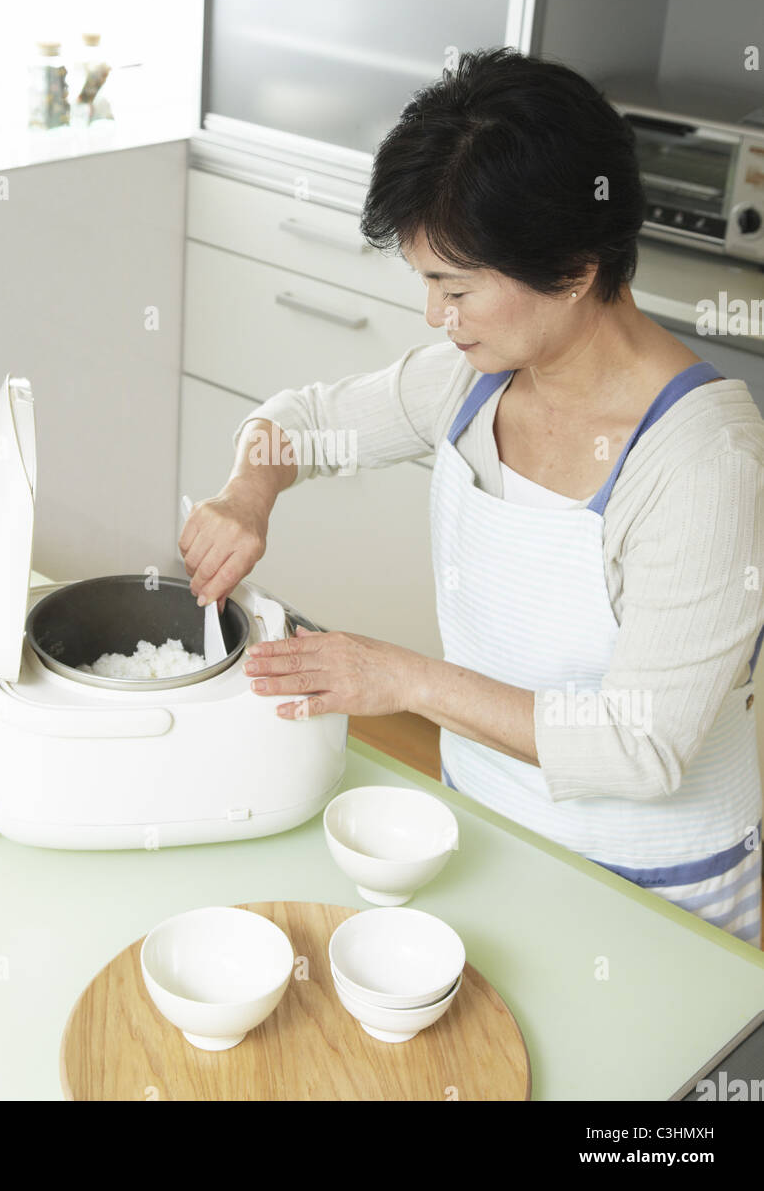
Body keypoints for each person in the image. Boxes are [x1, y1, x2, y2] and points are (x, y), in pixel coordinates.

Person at [178, 47, 764, 945]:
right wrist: (246, 495)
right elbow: (297, 422)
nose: (433, 316)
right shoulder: (474, 381)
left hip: (651, 893)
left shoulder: (704, 465)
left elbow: (637, 747)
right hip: (484, 829)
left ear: (572, 269)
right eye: (425, 282)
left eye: (454, 288)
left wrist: (398, 677)